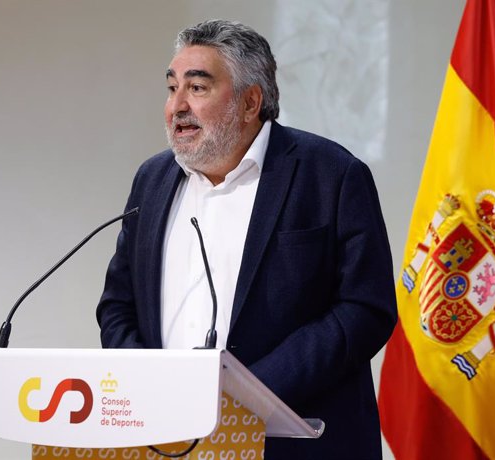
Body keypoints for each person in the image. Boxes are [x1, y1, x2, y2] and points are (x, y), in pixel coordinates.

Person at [96, 19, 397, 460]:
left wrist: (249, 396)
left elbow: (364, 309)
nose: (177, 106)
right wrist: (149, 387)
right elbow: (118, 306)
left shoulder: (330, 174)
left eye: (197, 88)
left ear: (250, 101)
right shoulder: (152, 180)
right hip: (167, 439)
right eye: (171, 87)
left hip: (296, 442)